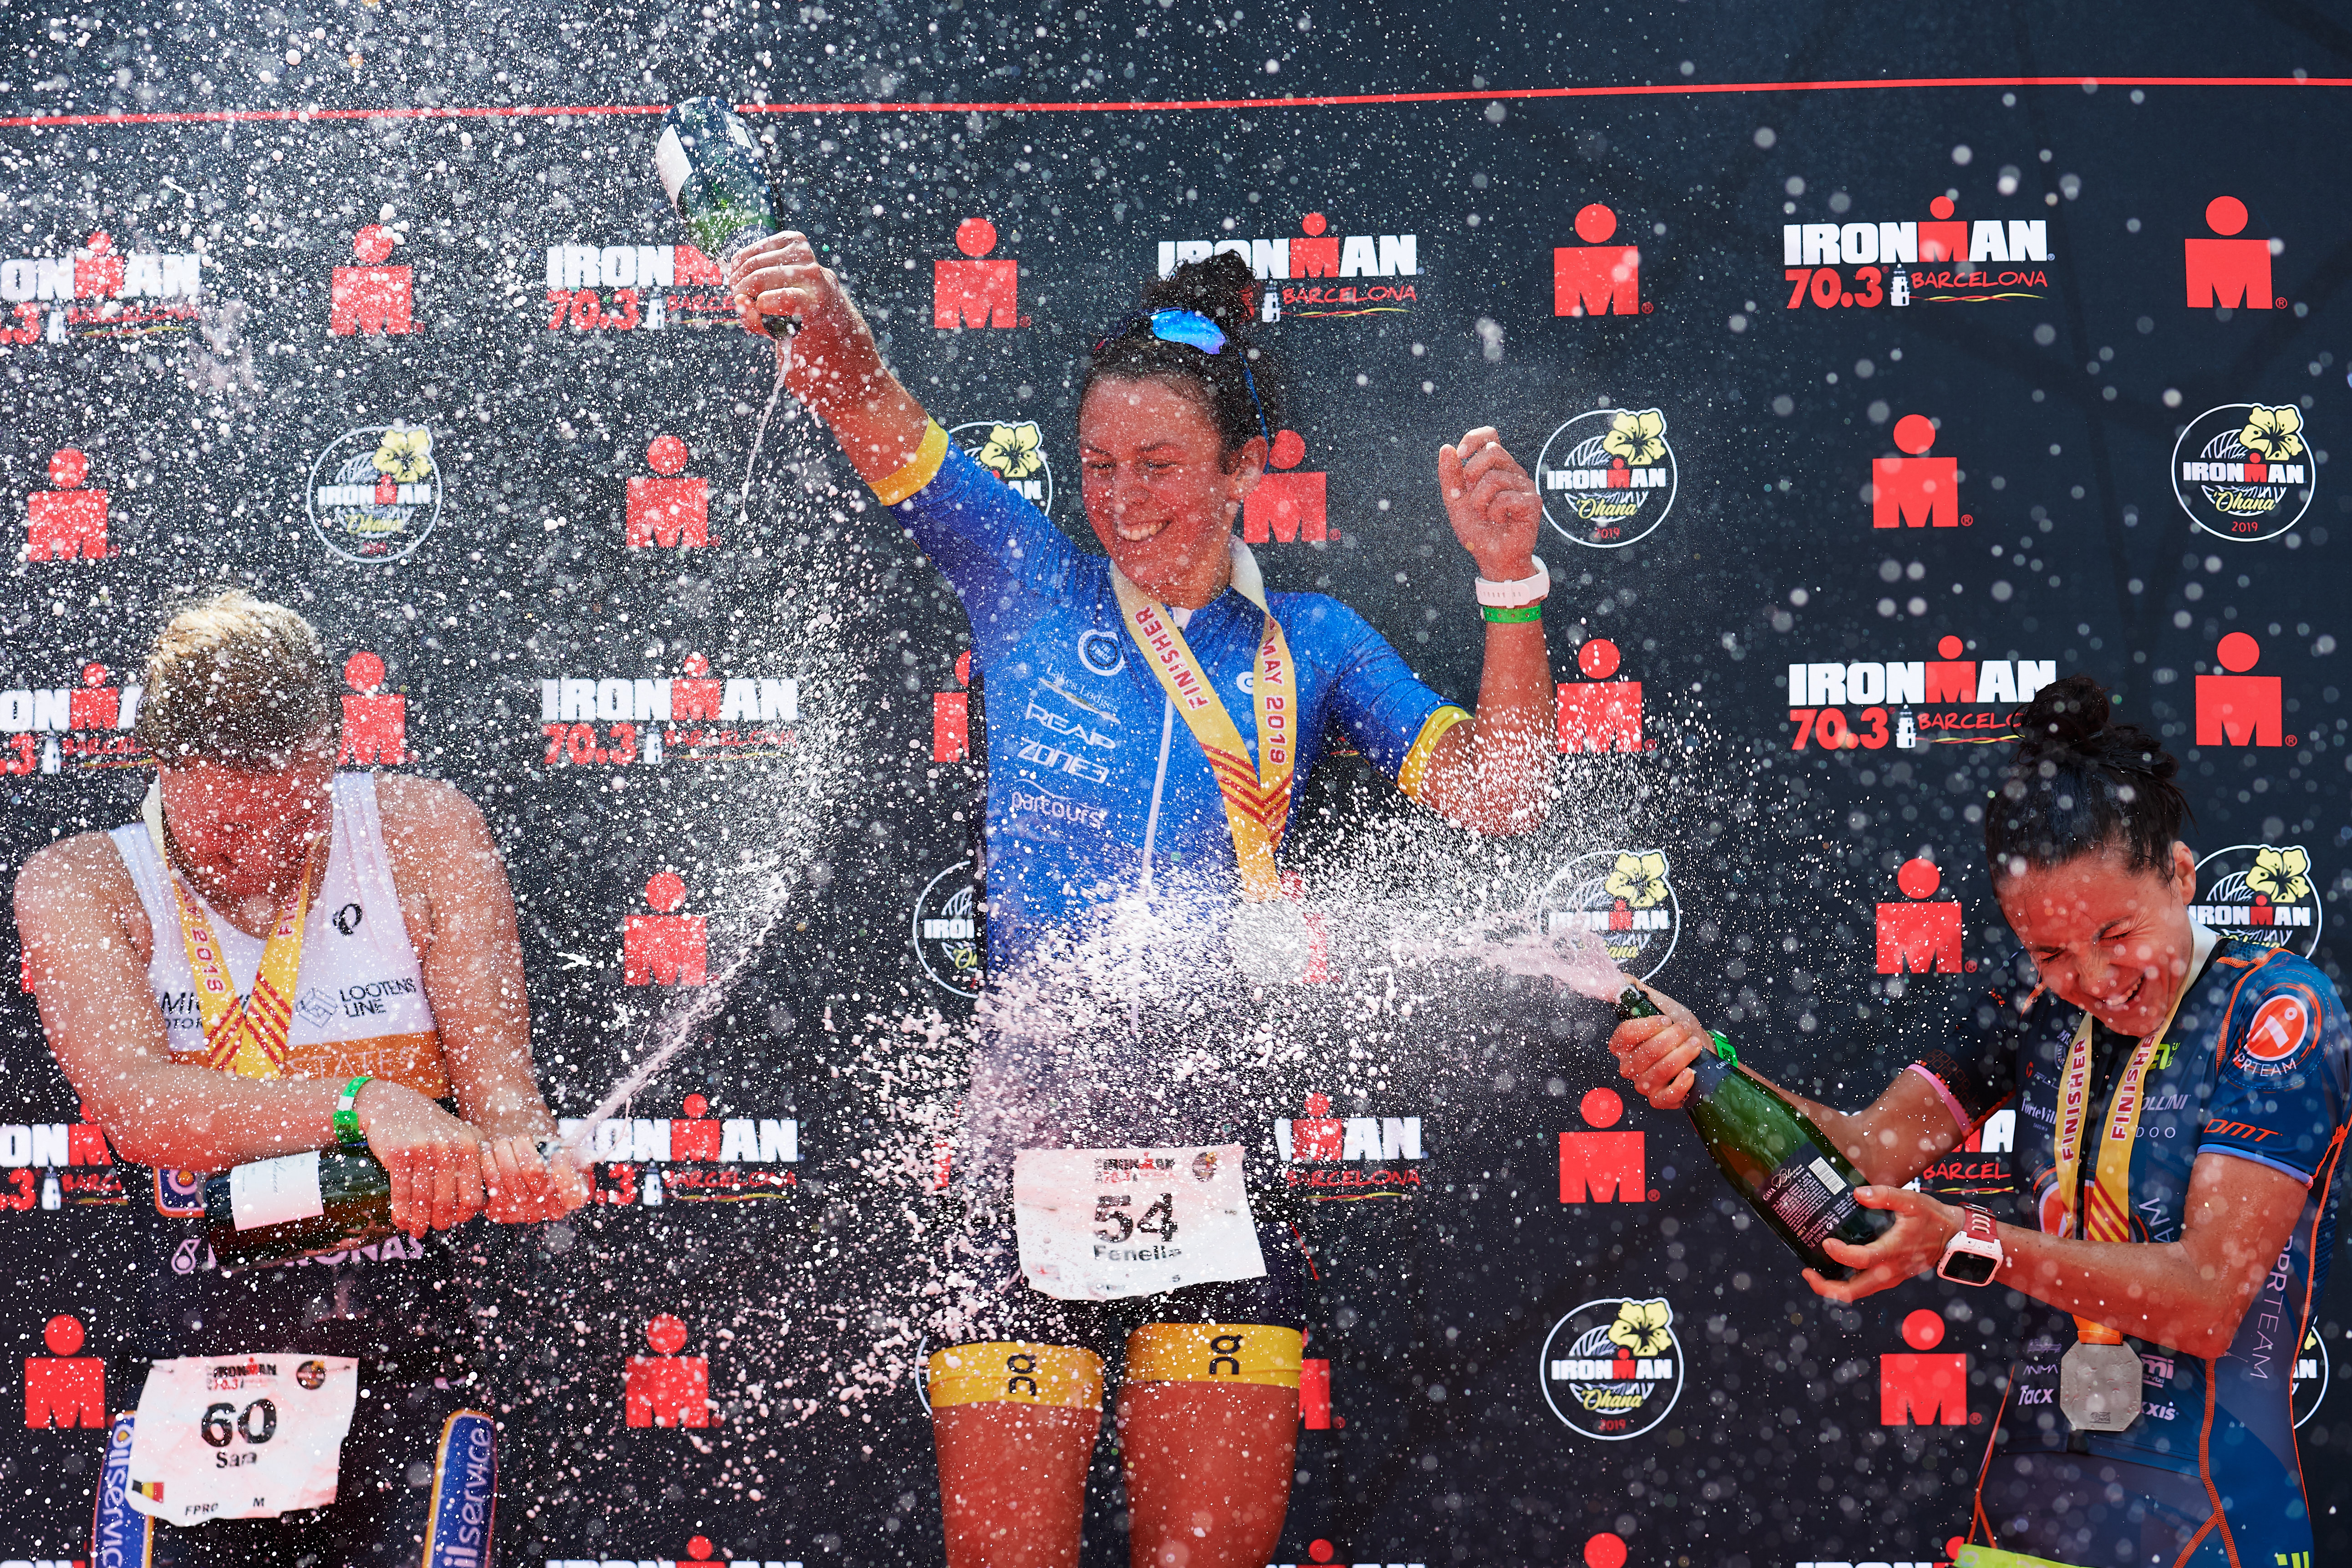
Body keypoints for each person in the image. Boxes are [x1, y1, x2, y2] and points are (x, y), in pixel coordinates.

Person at [726, 238, 1555, 1567]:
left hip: (1216, 1160)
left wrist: (1509, 582)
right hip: (1024, 1155)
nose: (1121, 498)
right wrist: (819, 317)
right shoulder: (1024, 572)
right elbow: (871, 404)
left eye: (1159, 466)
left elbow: (1503, 794)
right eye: (1100, 465)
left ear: (1242, 470)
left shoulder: (1318, 645)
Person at [1608, 674, 2347, 1568]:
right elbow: (1865, 1151)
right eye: (2049, 950)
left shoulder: (2277, 1012)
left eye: (2116, 935)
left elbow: (2203, 1300)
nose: (2093, 978)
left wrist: (1972, 1239)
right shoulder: (2029, 1009)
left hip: (2209, 1525)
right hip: (2023, 1517)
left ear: (2182, 875)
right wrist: (1709, 1068)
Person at [14, 592, 587, 1568]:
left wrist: (530, 1162)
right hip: (195, 1375)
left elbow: (504, 1101)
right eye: (230, 829)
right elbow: (139, 1109)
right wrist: (364, 1103)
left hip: (417, 1367)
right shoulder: (80, 884)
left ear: (330, 751)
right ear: (164, 766)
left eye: (296, 818)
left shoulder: (421, 833)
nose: (267, 857)